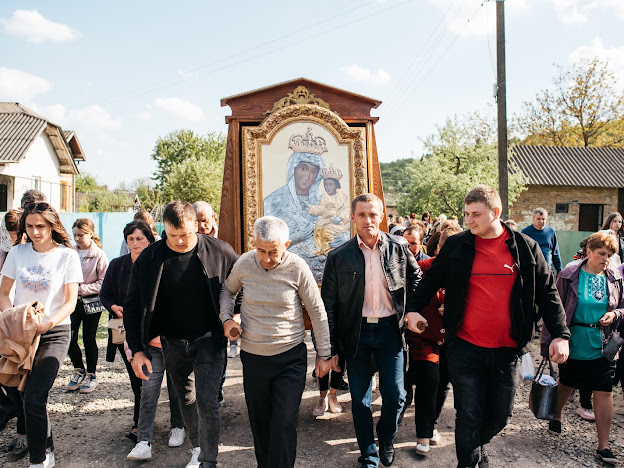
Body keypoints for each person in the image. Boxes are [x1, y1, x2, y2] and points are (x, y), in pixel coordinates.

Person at [406, 185, 570, 468]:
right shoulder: (457, 246)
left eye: (476, 214)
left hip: (507, 350)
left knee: (500, 416)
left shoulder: (525, 248)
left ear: (496, 212)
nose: (469, 220)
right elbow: (430, 280)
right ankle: (468, 462)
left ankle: (474, 447)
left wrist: (560, 334)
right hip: (465, 348)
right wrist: (412, 309)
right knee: (469, 414)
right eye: (466, 214)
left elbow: (547, 293)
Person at [124, 200, 239, 468]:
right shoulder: (150, 258)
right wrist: (137, 349)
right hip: (171, 342)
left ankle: (208, 461)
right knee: (185, 398)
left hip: (209, 339)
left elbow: (240, 285)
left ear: (196, 225)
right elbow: (132, 305)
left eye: (185, 234)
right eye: (172, 235)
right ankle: (198, 448)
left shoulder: (219, 251)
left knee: (207, 400)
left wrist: (235, 315)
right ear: (164, 228)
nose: (178, 241)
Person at [220, 216, 335, 468]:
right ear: (254, 243)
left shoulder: (298, 267)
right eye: (261, 250)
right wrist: (227, 319)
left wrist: (324, 355)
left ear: (287, 245)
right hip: (254, 358)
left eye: (273, 251)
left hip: (290, 358)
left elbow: (317, 311)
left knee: (283, 423)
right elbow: (227, 291)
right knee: (260, 423)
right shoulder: (244, 263)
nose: (266, 258)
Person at [322, 193, 422, 468]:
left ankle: (386, 438)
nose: (368, 220)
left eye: (373, 214)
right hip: (357, 334)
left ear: (382, 217)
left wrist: (411, 310)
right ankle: (368, 453)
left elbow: (416, 276)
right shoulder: (338, 257)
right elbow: (328, 304)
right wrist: (331, 348)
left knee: (396, 396)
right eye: (362, 214)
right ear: (353, 218)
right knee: (360, 399)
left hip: (391, 331)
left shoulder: (399, 247)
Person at [0, 201, 83, 468]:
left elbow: (70, 303)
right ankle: (46, 448)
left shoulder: (67, 256)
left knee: (35, 395)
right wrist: (14, 319)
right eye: (29, 226)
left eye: (40, 226)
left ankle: (38, 460)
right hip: (21, 332)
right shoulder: (17, 253)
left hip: (54, 332)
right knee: (25, 396)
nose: (35, 232)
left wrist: (47, 324)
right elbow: (4, 293)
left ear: (52, 225)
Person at [540, 232, 623, 464]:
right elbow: (553, 310)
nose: (606, 259)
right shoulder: (569, 275)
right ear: (588, 252)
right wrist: (547, 345)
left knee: (604, 390)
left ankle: (604, 446)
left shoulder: (615, 277)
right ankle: (556, 415)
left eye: (610, 255)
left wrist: (614, 314)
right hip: (573, 341)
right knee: (567, 381)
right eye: (602, 254)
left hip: (603, 343)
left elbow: (623, 306)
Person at [402, 225, 461, 457]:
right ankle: (423, 435)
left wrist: (457, 310)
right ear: (439, 248)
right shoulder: (424, 268)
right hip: (425, 336)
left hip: (453, 338)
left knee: (443, 382)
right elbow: (412, 299)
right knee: (429, 380)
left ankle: (433, 422)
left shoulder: (468, 271)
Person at [263, 132, 328, 280]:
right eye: (303, 169)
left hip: (319, 270)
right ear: (293, 169)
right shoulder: (273, 201)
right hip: (284, 271)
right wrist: (294, 238)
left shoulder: (324, 202)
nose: (308, 176)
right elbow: (265, 242)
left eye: (314, 171)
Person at [66, 218, 109, 394]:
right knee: (70, 337)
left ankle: (92, 374)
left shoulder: (99, 254)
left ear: (90, 234)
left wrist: (81, 289)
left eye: (80, 235)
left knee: (89, 339)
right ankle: (79, 369)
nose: (77, 238)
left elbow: (103, 282)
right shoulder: (70, 252)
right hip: (72, 302)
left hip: (91, 303)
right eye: (75, 235)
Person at [308, 164, 350, 257]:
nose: (327, 187)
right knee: (318, 231)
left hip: (337, 223)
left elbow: (347, 208)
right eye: (325, 185)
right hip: (325, 221)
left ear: (336, 185)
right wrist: (311, 208)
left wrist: (340, 217)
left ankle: (330, 252)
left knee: (326, 232)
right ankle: (322, 251)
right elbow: (322, 208)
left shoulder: (341, 195)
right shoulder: (325, 195)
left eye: (330, 185)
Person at [521, 208, 563, 275]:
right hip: (531, 271)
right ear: (533, 218)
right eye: (538, 219)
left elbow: (555, 253)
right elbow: (521, 253)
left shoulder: (550, 232)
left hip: (547, 270)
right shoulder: (525, 232)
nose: (541, 221)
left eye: (543, 219)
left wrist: (559, 270)